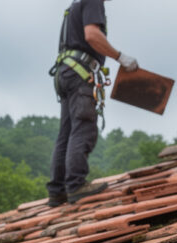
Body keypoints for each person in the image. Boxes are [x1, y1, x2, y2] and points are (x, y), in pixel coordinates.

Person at [47, 0, 139, 207]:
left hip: (66, 72)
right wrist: (120, 56)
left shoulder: (75, 4)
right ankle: (76, 185)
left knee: (67, 131)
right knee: (83, 127)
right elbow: (92, 35)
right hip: (79, 74)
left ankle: (58, 191)